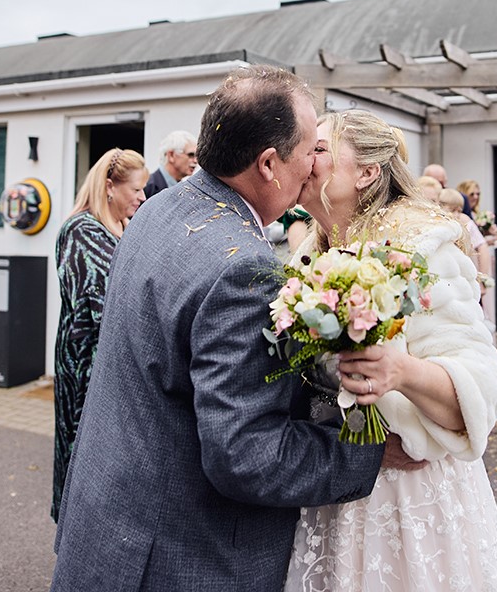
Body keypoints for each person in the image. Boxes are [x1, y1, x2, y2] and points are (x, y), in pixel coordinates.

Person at [51, 67, 416, 590]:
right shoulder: (242, 269)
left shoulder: (159, 209)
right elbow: (246, 455)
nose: (317, 163)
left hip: (107, 532)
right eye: (310, 149)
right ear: (269, 164)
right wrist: (368, 453)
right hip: (178, 559)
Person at [284, 109, 497, 591]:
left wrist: (402, 372)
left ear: (367, 172)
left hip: (409, 500)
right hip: (331, 487)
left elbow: (482, 383)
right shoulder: (304, 255)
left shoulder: (421, 247)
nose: (305, 158)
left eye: (320, 148)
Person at [51, 148, 148, 522]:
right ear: (110, 186)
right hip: (86, 367)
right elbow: (99, 306)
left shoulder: (119, 229)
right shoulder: (81, 230)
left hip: (106, 363)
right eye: (136, 189)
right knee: (83, 461)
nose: (142, 197)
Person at [143, 129, 197, 198]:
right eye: (191, 155)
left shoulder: (185, 189)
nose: (195, 161)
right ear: (171, 155)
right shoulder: (147, 187)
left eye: (197, 156)